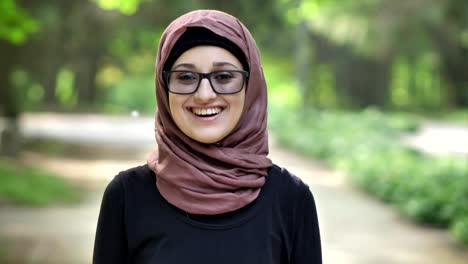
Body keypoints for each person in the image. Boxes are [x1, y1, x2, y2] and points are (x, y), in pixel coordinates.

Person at [93, 9, 322, 264]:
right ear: (163, 87)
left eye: (224, 76)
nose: (204, 94)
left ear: (251, 86)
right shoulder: (127, 196)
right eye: (186, 77)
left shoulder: (290, 199)